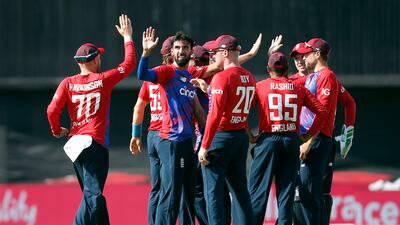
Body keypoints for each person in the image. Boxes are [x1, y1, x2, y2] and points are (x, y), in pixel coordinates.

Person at [46, 14, 136, 225]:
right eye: (100, 57)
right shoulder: (103, 80)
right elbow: (129, 63)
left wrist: (57, 130)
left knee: (92, 194)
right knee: (93, 196)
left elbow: (51, 111)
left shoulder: (67, 83)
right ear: (95, 59)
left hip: (76, 144)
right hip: (94, 143)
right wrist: (128, 36)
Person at [247, 52, 326, 225]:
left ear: (268, 69)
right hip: (291, 141)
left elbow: (242, 110)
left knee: (258, 194)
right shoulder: (298, 87)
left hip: (268, 141)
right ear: (287, 69)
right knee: (286, 196)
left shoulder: (260, 86)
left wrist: (250, 135)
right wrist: (307, 136)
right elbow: (321, 111)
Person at [137, 27, 206, 225]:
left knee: (188, 198)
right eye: (177, 48)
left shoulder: (190, 80)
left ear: (191, 51)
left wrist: (208, 140)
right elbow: (143, 74)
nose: (181, 51)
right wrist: (146, 53)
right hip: (171, 142)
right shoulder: (168, 72)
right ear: (172, 52)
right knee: (171, 197)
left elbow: (200, 115)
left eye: (185, 47)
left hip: (186, 143)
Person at [289, 41, 356, 225]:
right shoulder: (314, 76)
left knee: (309, 196)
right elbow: (287, 82)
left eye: (307, 54)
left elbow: (324, 111)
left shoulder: (326, 76)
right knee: (308, 195)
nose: (303, 58)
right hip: (314, 140)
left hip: (316, 141)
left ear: (317, 54)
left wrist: (309, 141)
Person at [197, 34, 256, 225]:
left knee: (212, 191)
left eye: (215, 53)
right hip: (239, 137)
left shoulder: (221, 77)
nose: (212, 57)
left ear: (225, 52)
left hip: (220, 138)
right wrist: (209, 89)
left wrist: (205, 145)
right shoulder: (249, 76)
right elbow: (236, 103)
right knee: (239, 189)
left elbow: (215, 115)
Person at [129, 35, 174, 225]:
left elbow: (139, 107)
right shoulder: (174, 74)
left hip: (151, 135)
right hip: (166, 135)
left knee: (156, 187)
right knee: (169, 187)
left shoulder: (152, 75)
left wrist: (136, 134)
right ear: (173, 52)